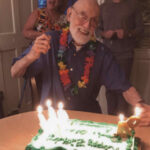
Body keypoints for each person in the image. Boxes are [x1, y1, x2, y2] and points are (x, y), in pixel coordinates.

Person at [11, 0, 150, 126]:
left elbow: (125, 87)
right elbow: (14, 72)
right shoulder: (49, 42)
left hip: (87, 124)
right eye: (83, 16)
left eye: (94, 20)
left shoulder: (101, 53)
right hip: (52, 123)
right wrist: (29, 57)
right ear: (70, 14)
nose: (87, 25)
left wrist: (141, 106)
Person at [98, 0, 144, 115]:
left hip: (125, 54)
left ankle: (122, 122)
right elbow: (96, 29)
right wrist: (104, 34)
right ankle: (110, 120)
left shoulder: (133, 5)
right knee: (109, 90)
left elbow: (140, 30)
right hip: (107, 54)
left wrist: (127, 33)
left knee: (124, 90)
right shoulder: (103, 7)